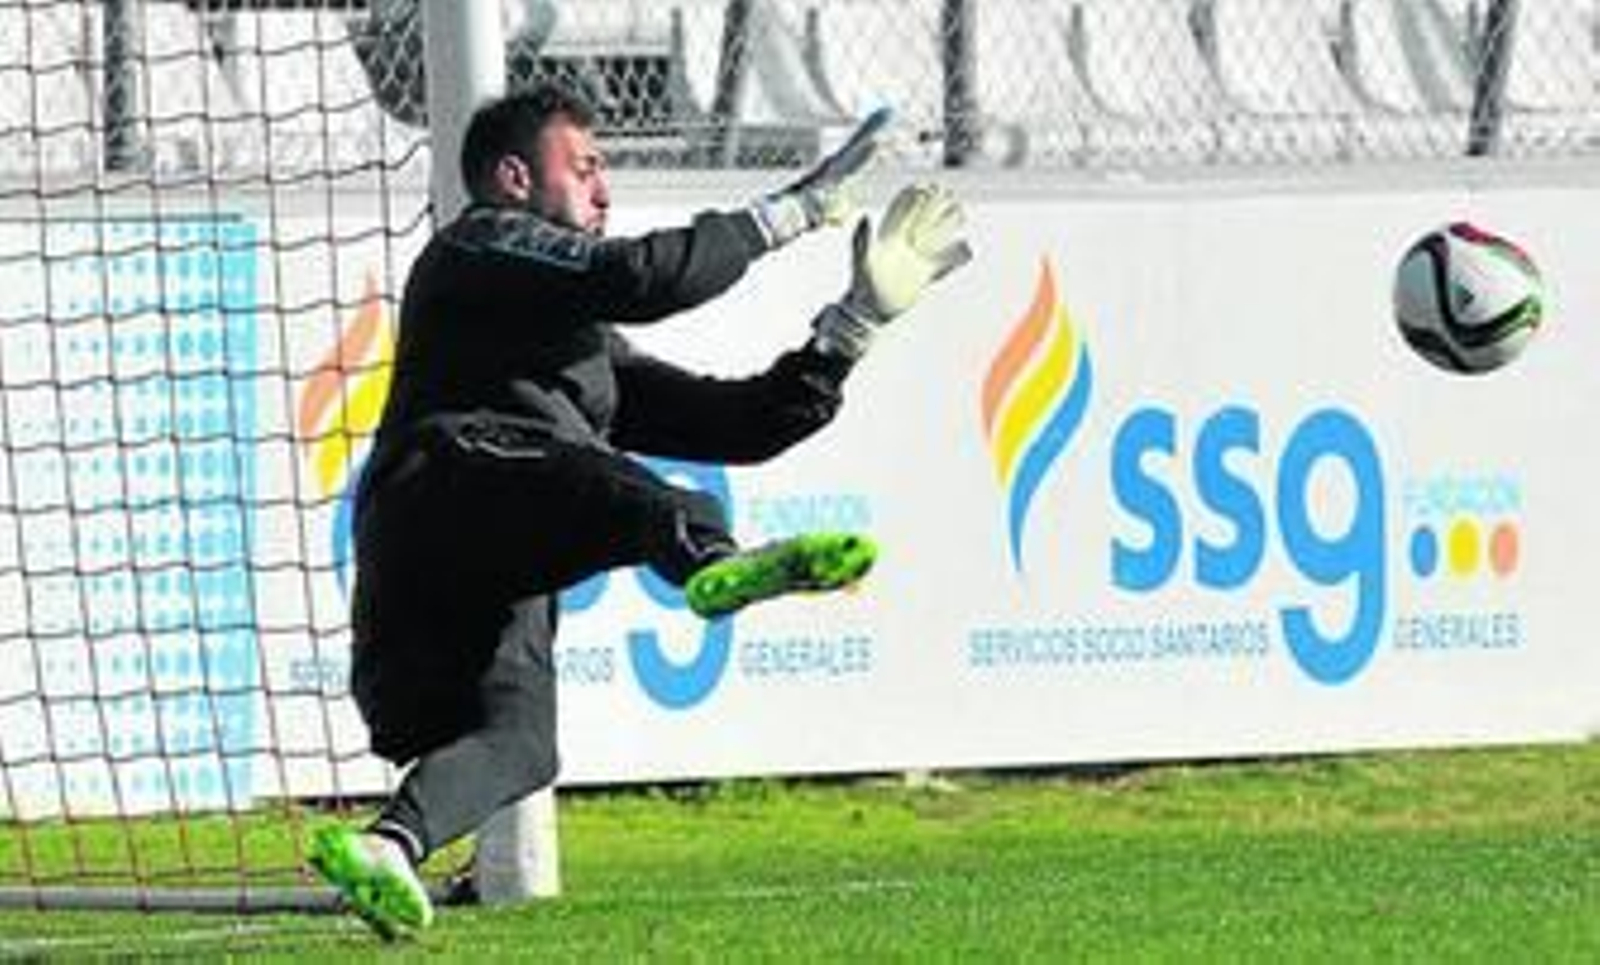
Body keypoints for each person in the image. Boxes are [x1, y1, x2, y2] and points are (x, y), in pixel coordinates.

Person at [307, 82, 971, 940]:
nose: (603, 189)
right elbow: (643, 276)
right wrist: (793, 212)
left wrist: (851, 329)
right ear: (513, 178)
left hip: (469, 567)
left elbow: (735, 423)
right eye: (583, 167)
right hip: (446, 489)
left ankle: (390, 846)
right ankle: (705, 562)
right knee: (640, 495)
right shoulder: (477, 244)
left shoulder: (586, 356)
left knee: (521, 746)